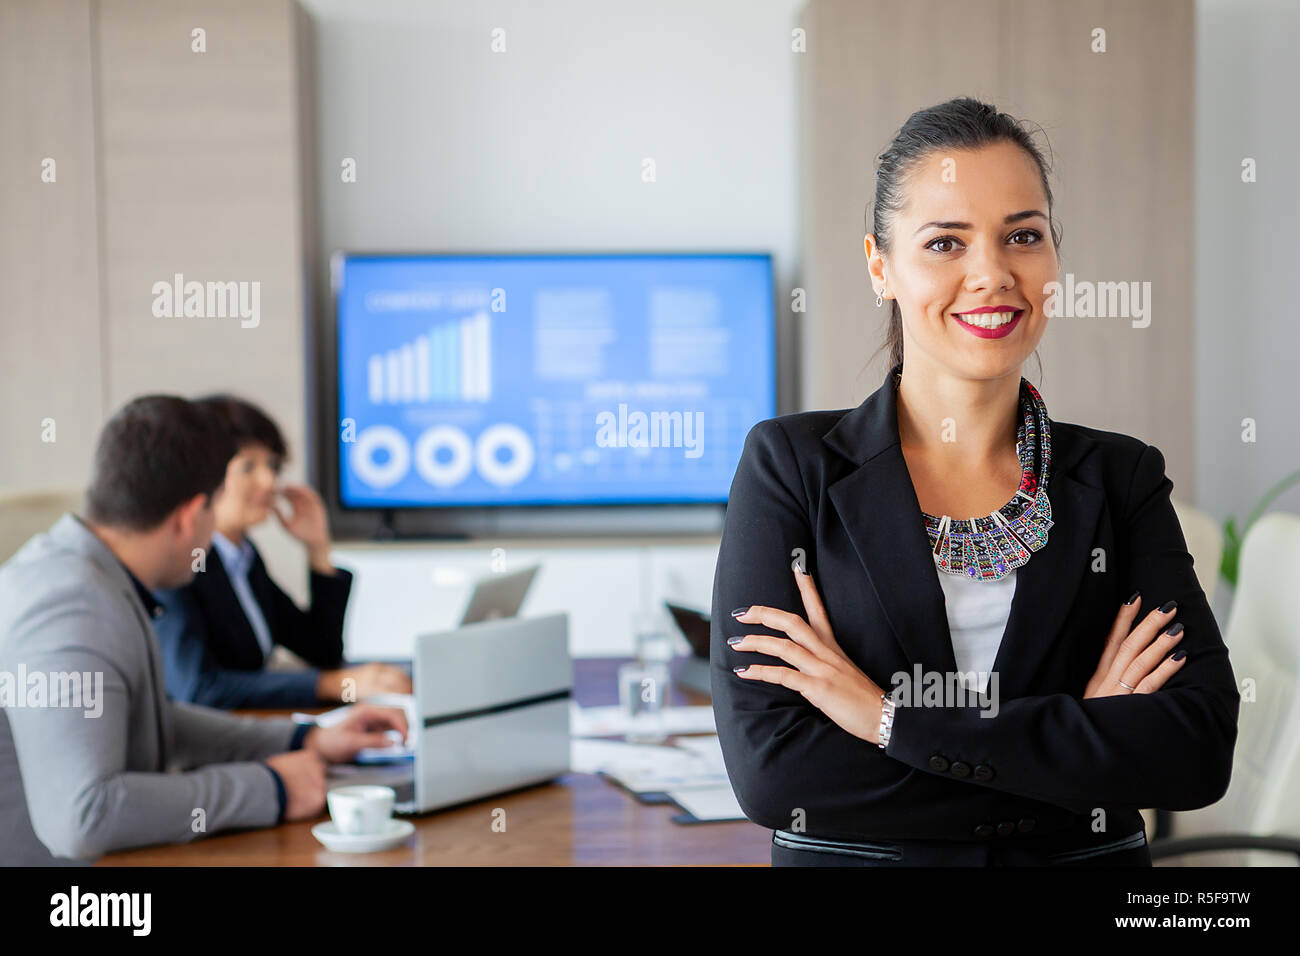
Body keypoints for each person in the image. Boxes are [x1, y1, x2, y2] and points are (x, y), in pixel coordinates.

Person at [710, 98, 1240, 867]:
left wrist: (888, 721)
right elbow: (774, 774)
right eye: (945, 242)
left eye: (1022, 236)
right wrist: (1074, 742)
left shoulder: (1121, 479)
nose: (991, 274)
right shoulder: (792, 468)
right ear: (879, 265)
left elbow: (1196, 750)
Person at [0, 395, 407, 864]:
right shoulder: (71, 607)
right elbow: (85, 817)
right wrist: (270, 787)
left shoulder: (97, 574)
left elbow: (152, 716)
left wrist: (306, 738)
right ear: (192, 516)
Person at [153, 394, 410, 708]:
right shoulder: (180, 565)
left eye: (272, 465)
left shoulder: (243, 557)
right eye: (248, 467)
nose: (269, 481)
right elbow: (200, 688)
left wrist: (318, 548)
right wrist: (330, 685)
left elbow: (321, 651)